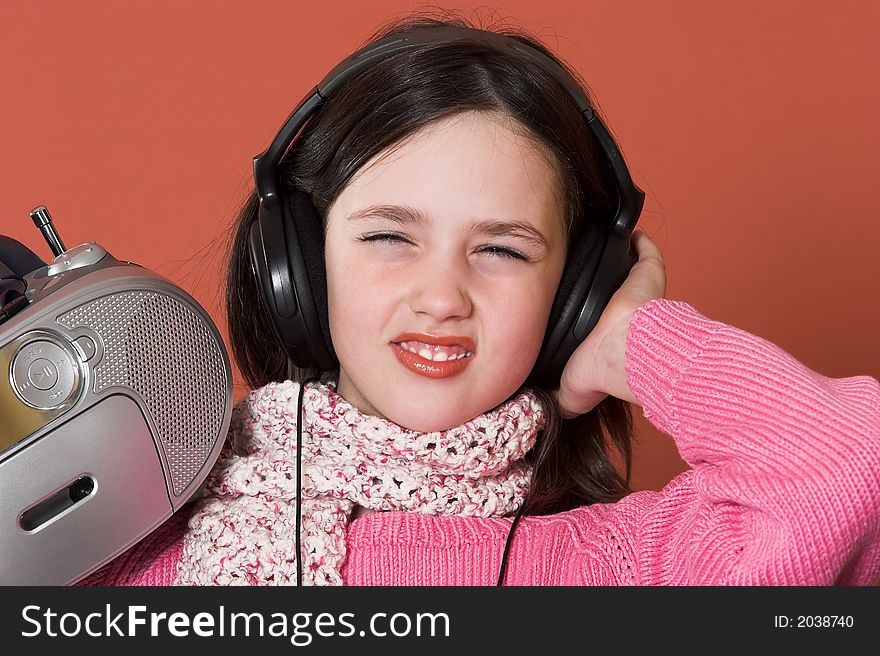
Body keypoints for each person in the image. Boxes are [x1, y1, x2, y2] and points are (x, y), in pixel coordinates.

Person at [81, 14, 879, 586]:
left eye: (500, 249)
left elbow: (849, 467)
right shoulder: (129, 541)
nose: (441, 298)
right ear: (300, 262)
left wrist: (634, 338)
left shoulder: (628, 568)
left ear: (574, 291)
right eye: (391, 236)